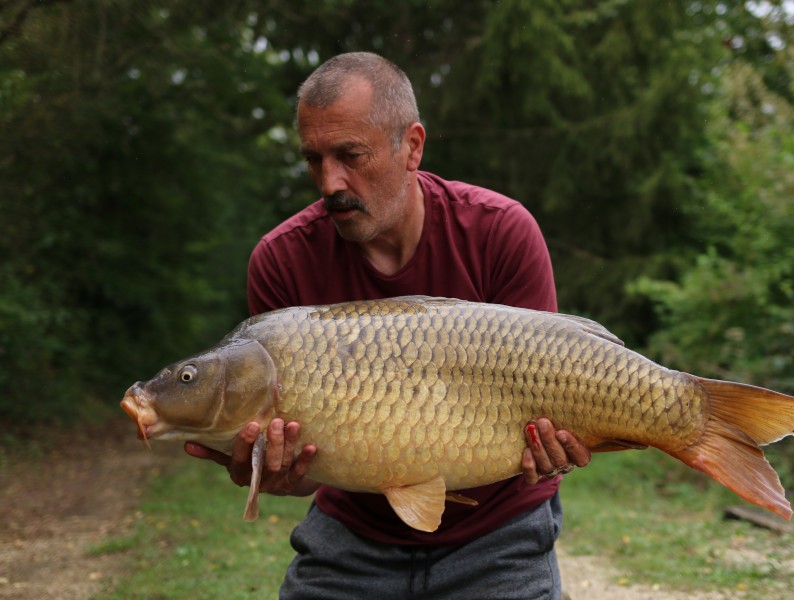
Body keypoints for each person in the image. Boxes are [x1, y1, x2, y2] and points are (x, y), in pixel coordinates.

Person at [184, 51, 591, 600]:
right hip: (354, 530)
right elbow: (306, 470)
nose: (330, 183)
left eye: (351, 155)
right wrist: (274, 471)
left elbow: (554, 404)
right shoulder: (280, 262)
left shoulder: (501, 232)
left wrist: (558, 449)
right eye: (314, 159)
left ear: (412, 147)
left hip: (499, 530)